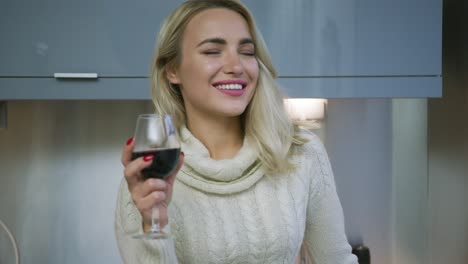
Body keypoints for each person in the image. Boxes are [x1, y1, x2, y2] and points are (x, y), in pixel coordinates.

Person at [115, 0, 358, 263]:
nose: (236, 66)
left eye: (247, 51)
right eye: (212, 51)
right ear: (173, 70)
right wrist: (155, 225)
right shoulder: (148, 183)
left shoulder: (301, 152)